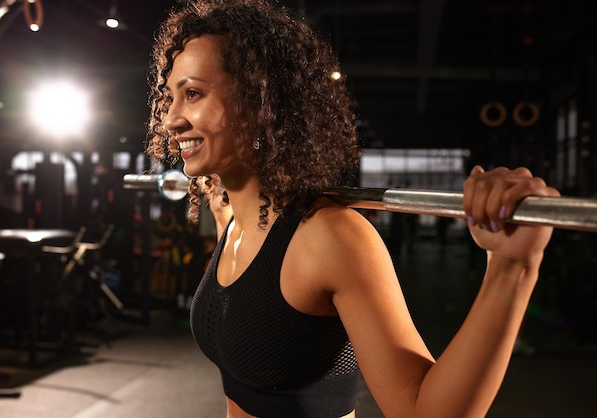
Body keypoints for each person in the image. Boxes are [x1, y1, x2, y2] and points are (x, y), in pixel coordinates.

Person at [145, 1, 560, 417]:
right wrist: (223, 187)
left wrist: (511, 265)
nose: (170, 120)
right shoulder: (233, 220)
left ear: (259, 101)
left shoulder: (332, 237)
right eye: (172, 98)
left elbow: (423, 411)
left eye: (193, 94)